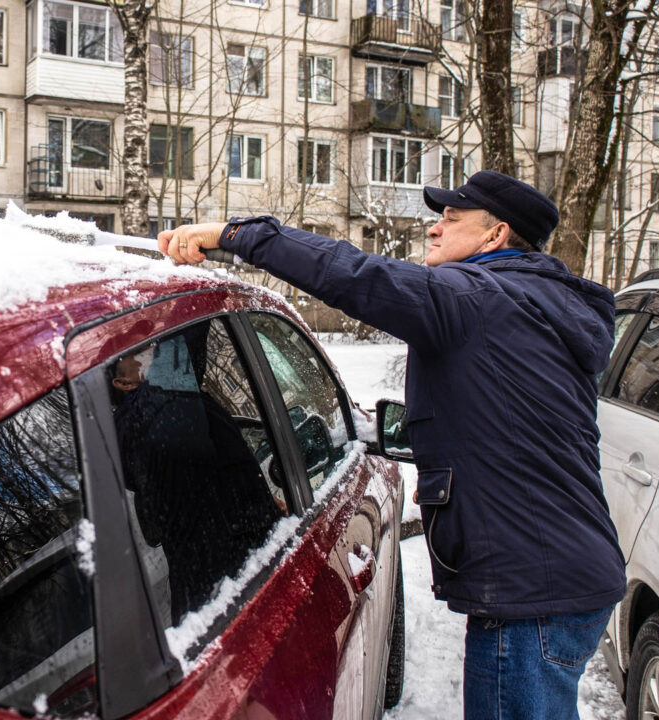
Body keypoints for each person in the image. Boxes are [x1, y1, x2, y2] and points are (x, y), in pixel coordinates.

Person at [158, 170, 626, 720]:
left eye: (450, 220)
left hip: (534, 591)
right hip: (566, 574)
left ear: (495, 236)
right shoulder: (535, 302)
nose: (434, 231)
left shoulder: (474, 296)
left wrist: (237, 235)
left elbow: (357, 275)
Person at [109, 330, 282, 625]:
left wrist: (263, 505)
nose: (149, 346)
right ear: (123, 383)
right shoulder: (150, 412)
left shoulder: (163, 412)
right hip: (227, 590)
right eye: (134, 351)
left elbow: (211, 477)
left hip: (224, 579)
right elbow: (185, 334)